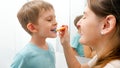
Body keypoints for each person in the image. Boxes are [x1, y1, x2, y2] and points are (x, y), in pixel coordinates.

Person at [58, 0, 120, 68]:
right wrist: (65, 43)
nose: (78, 24)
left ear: (106, 25)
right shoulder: (104, 56)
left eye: (84, 17)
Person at [11, 0, 57, 68]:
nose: (55, 22)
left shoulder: (50, 47)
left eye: (54, 18)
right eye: (49, 19)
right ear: (32, 27)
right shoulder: (24, 56)